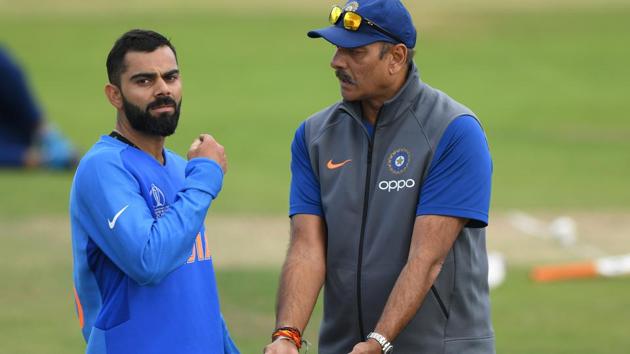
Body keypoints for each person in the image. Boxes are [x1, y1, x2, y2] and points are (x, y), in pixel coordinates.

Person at [264, 0, 494, 353]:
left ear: (397, 57)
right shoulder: (314, 136)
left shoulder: (453, 131)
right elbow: (307, 247)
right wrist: (287, 334)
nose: (337, 61)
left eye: (355, 51)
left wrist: (379, 341)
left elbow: (426, 258)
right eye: (337, 48)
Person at [69, 29, 239, 354]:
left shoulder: (178, 168)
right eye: (144, 81)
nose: (163, 89)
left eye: (171, 77)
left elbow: (195, 285)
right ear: (114, 94)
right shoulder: (102, 168)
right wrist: (205, 175)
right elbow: (149, 260)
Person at [0, 46, 78, 169]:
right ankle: (42, 157)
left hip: (20, 134)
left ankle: (45, 148)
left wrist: (47, 132)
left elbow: (12, 80)